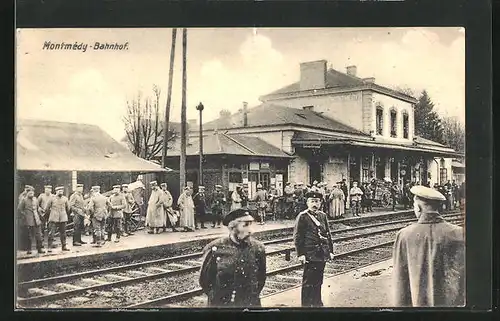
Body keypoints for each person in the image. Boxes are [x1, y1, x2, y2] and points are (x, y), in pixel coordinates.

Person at [392, 185, 465, 307]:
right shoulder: (458, 233)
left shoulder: (405, 235)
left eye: (414, 205)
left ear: (419, 208)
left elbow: (400, 280)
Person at [199, 207, 266, 307]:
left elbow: (261, 278)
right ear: (232, 227)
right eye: (245, 225)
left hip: (249, 304)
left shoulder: (258, 248)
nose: (250, 230)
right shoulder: (215, 248)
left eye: (251, 225)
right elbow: (205, 281)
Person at [294, 190, 335, 307]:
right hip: (309, 253)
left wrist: (331, 251)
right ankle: (306, 305)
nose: (314, 204)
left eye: (317, 201)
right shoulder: (303, 216)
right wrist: (300, 254)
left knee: (319, 280)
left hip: (321, 253)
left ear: (321, 202)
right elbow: (298, 237)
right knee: (308, 281)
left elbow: (328, 234)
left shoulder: (323, 216)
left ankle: (317, 302)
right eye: (312, 201)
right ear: (307, 203)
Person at [17, 186, 45, 255]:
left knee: (39, 235)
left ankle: (39, 249)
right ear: (27, 193)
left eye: (32, 192)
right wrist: (25, 216)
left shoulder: (35, 199)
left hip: (37, 220)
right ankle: (29, 249)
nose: (31, 193)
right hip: (28, 220)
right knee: (29, 236)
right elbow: (19, 209)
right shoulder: (24, 200)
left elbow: (38, 208)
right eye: (29, 192)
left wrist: (41, 212)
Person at [45, 186, 71, 252]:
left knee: (63, 233)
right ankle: (49, 247)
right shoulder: (52, 198)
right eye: (59, 191)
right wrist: (49, 216)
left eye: (62, 191)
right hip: (53, 218)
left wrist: (65, 215)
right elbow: (47, 209)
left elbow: (68, 209)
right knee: (51, 233)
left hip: (63, 218)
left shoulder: (65, 199)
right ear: (56, 191)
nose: (61, 192)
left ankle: (64, 246)